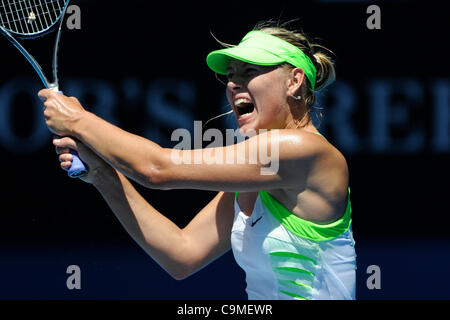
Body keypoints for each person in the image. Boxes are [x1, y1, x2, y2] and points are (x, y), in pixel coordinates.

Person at [38, 21, 356, 300]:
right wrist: (104, 176)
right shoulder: (257, 179)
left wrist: (78, 120)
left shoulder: (303, 151)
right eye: (230, 75)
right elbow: (182, 253)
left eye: (250, 71)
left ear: (294, 81)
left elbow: (158, 169)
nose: (234, 83)